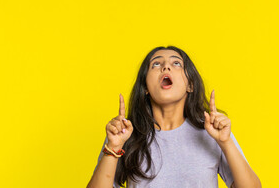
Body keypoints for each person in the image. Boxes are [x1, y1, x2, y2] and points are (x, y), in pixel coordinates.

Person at [87, 46, 261, 188]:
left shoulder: (213, 131)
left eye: (176, 63)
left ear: (190, 85)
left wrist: (225, 142)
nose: (166, 67)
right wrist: (114, 147)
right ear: (145, 87)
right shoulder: (124, 134)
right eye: (155, 64)